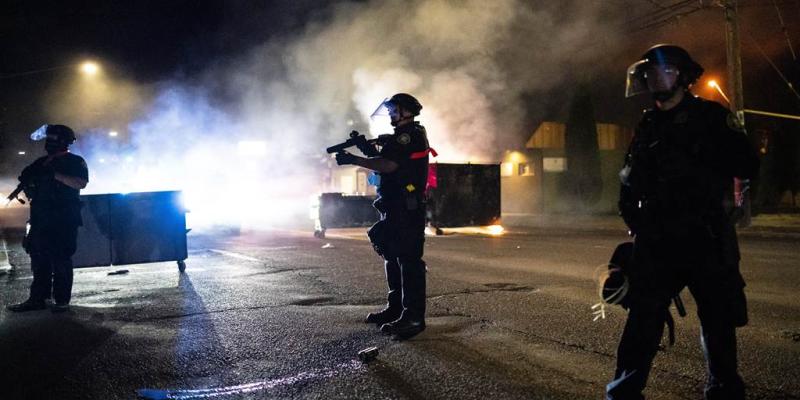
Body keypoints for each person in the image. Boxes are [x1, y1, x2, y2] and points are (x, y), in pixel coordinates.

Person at [607, 44, 760, 400]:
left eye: (667, 70)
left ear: (684, 77)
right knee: (643, 322)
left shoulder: (711, 117)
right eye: (652, 72)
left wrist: (727, 188)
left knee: (718, 321)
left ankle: (723, 391)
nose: (657, 76)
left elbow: (748, 166)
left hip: (705, 237)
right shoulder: (646, 125)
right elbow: (629, 179)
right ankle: (623, 392)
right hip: (658, 241)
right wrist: (632, 217)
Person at [335, 93, 432, 340]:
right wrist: (365, 148)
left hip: (406, 206)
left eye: (394, 110)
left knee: (409, 260)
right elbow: (387, 156)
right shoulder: (399, 138)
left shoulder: (409, 135)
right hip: (394, 204)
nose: (390, 114)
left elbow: (390, 165)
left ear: (406, 111)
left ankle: (413, 317)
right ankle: (396, 308)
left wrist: (354, 159)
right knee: (391, 253)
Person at [7, 124, 89, 313]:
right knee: (38, 260)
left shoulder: (75, 161)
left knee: (61, 259)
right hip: (40, 219)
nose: (49, 143)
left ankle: (61, 301)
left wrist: (55, 175)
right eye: (48, 139)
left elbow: (81, 183)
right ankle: (38, 299)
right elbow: (26, 181)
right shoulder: (41, 162)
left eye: (53, 139)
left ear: (63, 141)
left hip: (63, 219)